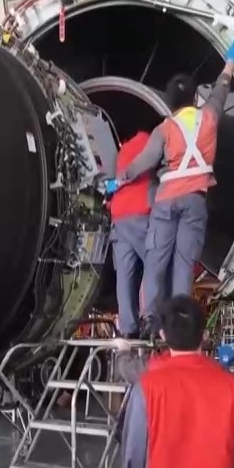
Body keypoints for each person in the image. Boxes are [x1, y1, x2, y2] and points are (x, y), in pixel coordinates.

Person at [116, 40, 234, 336]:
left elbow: (145, 162)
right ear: (194, 98)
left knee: (156, 261)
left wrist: (120, 178)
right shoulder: (208, 117)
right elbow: (221, 90)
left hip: (166, 201)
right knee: (184, 264)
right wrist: (229, 61)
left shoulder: (164, 129)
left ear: (170, 101)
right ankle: (177, 325)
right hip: (194, 201)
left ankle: (150, 320)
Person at [114, 295, 234, 468]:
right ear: (204, 334)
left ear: (163, 334)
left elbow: (133, 455)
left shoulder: (147, 387)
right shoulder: (232, 386)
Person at [103, 132, 156, 339]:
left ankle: (128, 328)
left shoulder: (122, 151)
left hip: (118, 216)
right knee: (154, 263)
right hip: (140, 213)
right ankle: (150, 318)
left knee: (125, 274)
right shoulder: (148, 140)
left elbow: (112, 184)